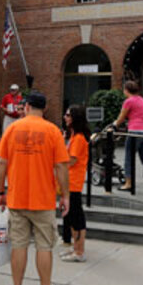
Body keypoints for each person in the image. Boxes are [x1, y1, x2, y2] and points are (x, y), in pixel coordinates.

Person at [0, 91, 71, 285]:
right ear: (44, 109)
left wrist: (0, 192)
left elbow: (1, 164)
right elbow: (61, 167)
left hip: (17, 198)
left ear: (26, 106)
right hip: (43, 199)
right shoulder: (52, 131)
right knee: (44, 246)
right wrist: (65, 195)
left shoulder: (12, 129)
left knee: (18, 245)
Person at [60, 105, 90, 263]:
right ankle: (76, 247)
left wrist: (56, 162)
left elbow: (71, 160)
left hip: (73, 183)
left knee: (76, 217)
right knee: (72, 216)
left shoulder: (78, 138)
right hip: (69, 182)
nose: (65, 117)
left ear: (75, 118)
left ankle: (79, 251)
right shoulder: (73, 136)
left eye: (68, 115)